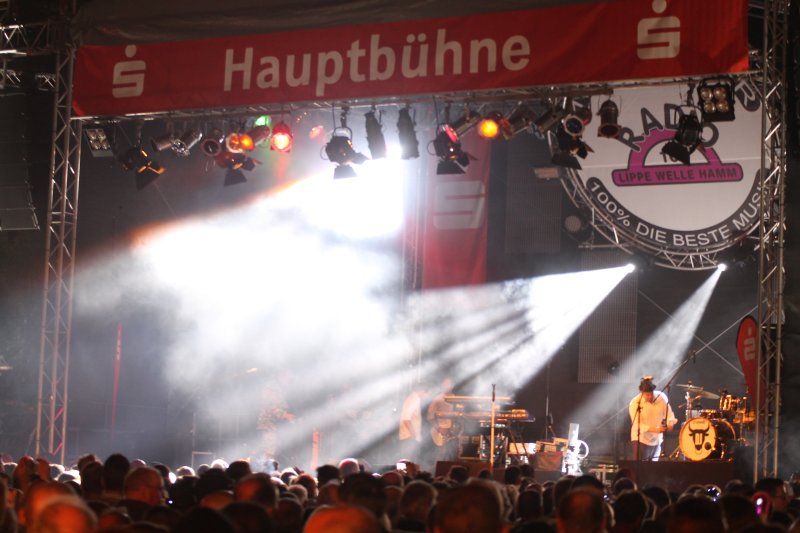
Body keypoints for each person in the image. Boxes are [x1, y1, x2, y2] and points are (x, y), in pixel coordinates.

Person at [629, 376, 677, 461]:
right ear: (642, 392)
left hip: (656, 440)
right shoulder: (635, 403)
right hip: (641, 439)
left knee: (653, 466)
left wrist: (670, 423)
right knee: (641, 465)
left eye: (651, 393)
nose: (650, 396)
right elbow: (637, 425)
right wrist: (655, 429)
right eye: (647, 395)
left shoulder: (661, 397)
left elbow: (669, 414)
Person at [427, 378, 458, 463]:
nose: (447, 386)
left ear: (452, 385)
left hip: (452, 431)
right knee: (441, 454)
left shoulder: (456, 398)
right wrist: (439, 428)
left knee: (451, 455)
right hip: (440, 431)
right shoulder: (438, 399)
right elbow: (430, 417)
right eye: (445, 384)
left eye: (449, 384)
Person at [399, 383, 429, 462]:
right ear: (422, 391)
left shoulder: (412, 398)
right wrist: (413, 433)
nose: (426, 396)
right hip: (409, 436)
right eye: (426, 393)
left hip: (409, 435)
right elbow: (406, 418)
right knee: (408, 459)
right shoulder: (415, 399)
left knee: (408, 460)